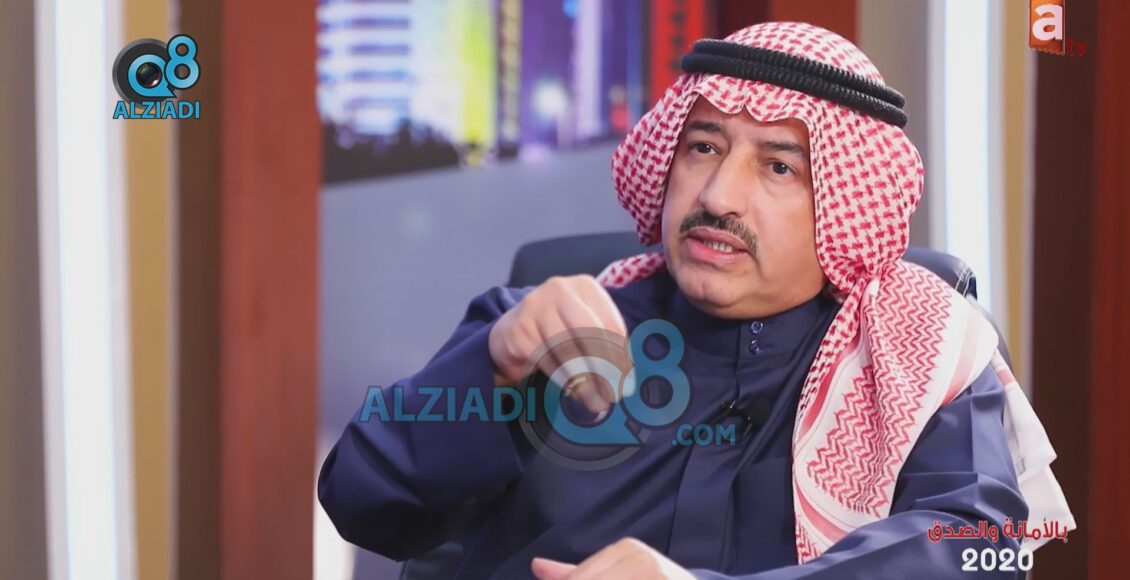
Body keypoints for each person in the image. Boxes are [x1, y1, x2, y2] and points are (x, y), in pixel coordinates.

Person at [318, 22, 1074, 579]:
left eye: (778, 167)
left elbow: (978, 546)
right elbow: (361, 499)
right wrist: (493, 367)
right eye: (703, 147)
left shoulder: (914, 353)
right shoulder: (546, 328)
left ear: (845, 207)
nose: (716, 196)